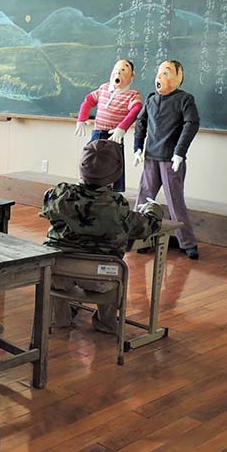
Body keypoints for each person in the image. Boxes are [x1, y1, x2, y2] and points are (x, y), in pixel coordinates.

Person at [42, 139, 163, 333]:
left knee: (58, 268)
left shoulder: (60, 194)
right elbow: (147, 227)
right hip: (101, 277)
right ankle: (106, 322)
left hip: (58, 270)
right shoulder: (117, 205)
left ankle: (59, 318)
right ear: (116, 175)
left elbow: (47, 206)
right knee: (113, 268)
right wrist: (154, 210)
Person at [133, 60, 200, 259]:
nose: (160, 77)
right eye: (159, 72)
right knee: (143, 198)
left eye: (167, 72)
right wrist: (137, 147)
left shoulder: (184, 100)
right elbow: (141, 121)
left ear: (179, 78)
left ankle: (186, 242)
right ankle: (140, 238)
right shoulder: (151, 99)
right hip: (151, 156)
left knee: (175, 201)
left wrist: (179, 152)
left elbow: (191, 124)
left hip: (171, 159)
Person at [74, 59, 142, 193]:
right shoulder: (104, 88)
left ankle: (110, 196)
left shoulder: (132, 94)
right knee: (89, 163)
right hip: (97, 133)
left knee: (112, 168)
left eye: (123, 70)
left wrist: (122, 128)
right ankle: (85, 190)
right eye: (116, 69)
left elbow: (136, 108)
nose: (118, 72)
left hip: (114, 137)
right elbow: (88, 100)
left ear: (132, 76)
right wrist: (82, 118)